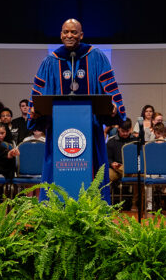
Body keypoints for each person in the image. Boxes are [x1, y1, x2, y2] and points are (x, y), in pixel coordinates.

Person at [30, 19, 126, 200]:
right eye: (65, 32)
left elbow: (110, 89)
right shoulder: (51, 61)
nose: (69, 35)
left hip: (91, 129)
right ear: (60, 34)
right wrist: (34, 111)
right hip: (58, 130)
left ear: (81, 35)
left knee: (93, 172)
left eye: (73, 32)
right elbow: (38, 93)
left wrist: (114, 106)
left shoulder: (96, 57)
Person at [106, 119, 138, 208]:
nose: (125, 134)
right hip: (115, 169)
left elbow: (140, 157)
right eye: (123, 131)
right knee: (105, 176)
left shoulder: (136, 141)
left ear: (131, 129)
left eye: (127, 131)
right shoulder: (111, 141)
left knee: (141, 177)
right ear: (118, 129)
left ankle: (135, 204)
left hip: (131, 170)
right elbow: (107, 158)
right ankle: (106, 204)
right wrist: (112, 163)